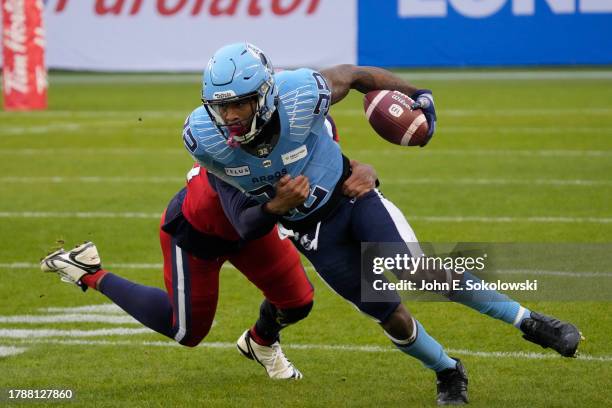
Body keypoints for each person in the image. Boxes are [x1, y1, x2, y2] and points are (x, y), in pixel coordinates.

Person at [178, 42, 583, 405]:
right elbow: (243, 225)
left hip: (353, 197)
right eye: (220, 106)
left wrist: (418, 95)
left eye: (239, 104)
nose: (228, 116)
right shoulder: (208, 143)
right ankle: (448, 372)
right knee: (391, 315)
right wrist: (275, 207)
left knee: (420, 270)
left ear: (264, 96)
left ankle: (529, 320)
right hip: (311, 233)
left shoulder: (301, 93)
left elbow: (357, 76)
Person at [39, 126, 379, 380]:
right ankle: (88, 271)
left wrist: (363, 170)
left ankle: (260, 342)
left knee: (297, 301)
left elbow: (334, 159)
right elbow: (245, 221)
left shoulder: (298, 129)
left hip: (255, 226)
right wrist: (279, 205)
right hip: (199, 233)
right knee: (187, 332)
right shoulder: (227, 149)